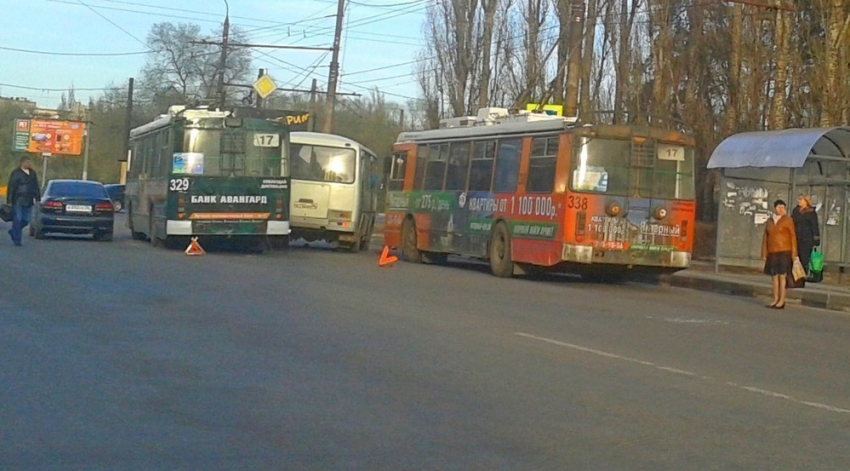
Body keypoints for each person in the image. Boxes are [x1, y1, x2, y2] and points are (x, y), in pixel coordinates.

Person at [762, 200, 798, 309]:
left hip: (784, 251)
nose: (780, 209)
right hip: (772, 252)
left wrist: (794, 253)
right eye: (778, 207)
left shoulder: (788, 220)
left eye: (783, 207)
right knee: (774, 276)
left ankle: (782, 300)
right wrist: (764, 253)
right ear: (774, 208)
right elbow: (765, 238)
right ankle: (775, 299)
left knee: (782, 276)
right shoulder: (769, 221)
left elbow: (792, 236)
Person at [6, 156, 41, 246]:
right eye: (27, 162)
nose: (29, 164)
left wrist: (38, 198)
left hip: (29, 200)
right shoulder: (16, 173)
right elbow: (11, 187)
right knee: (17, 219)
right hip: (18, 200)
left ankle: (13, 231)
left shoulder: (32, 173)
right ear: (22, 163)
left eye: (29, 162)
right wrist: (9, 201)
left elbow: (35, 186)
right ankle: (17, 240)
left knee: (26, 220)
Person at [791, 194, 820, 277]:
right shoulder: (795, 211)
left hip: (807, 239)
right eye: (798, 199)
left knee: (804, 258)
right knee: (796, 257)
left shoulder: (811, 212)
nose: (798, 201)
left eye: (801, 199)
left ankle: (803, 275)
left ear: (806, 201)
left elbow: (814, 226)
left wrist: (816, 239)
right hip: (796, 237)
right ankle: (795, 275)